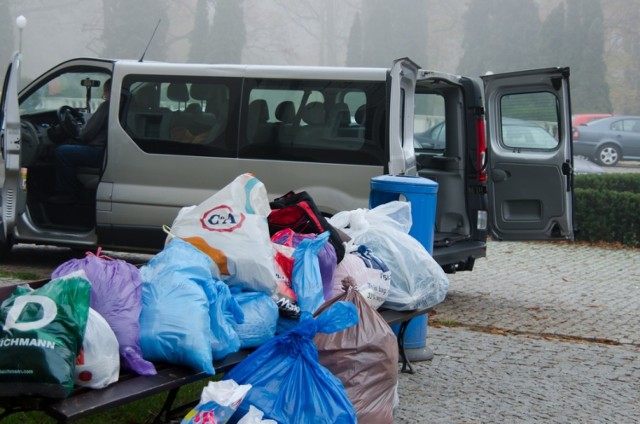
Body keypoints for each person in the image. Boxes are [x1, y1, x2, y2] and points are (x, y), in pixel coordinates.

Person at [50, 78, 111, 203]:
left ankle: (67, 193)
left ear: (110, 91)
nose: (104, 96)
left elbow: (87, 133)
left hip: (99, 152)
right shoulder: (125, 105)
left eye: (105, 92)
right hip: (107, 151)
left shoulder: (107, 106)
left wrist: (80, 132)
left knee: (62, 152)